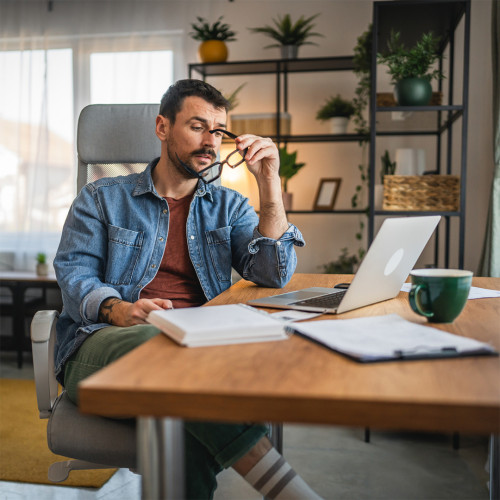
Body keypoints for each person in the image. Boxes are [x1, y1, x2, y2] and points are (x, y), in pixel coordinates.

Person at [53, 79, 321, 499]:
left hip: (198, 353)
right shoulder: (101, 198)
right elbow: (74, 276)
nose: (210, 141)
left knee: (180, 425)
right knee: (165, 349)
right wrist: (116, 309)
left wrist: (271, 183)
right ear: (162, 127)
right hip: (104, 346)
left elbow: (272, 273)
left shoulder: (229, 206)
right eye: (197, 126)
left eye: (218, 130)